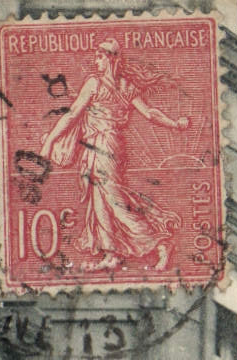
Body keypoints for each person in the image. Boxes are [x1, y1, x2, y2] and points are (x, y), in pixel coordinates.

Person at [39, 38, 191, 272]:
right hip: (104, 146)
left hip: (105, 146)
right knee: (100, 198)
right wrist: (175, 124)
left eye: (100, 57)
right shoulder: (123, 86)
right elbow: (149, 113)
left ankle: (160, 244)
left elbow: (72, 115)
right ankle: (111, 254)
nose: (96, 62)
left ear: (112, 59)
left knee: (113, 199)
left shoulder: (97, 84)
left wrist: (50, 141)